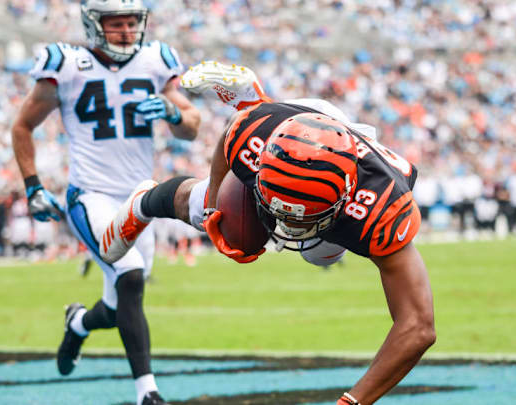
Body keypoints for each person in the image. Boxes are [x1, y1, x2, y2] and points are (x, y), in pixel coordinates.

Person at [100, 61, 435, 405]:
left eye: (300, 218)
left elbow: (419, 326)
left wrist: (351, 402)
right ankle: (144, 202)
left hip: (328, 133)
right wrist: (215, 205)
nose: (286, 226)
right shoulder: (253, 137)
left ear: (345, 198)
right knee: (228, 225)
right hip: (282, 125)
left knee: (318, 254)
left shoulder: (380, 208)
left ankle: (252, 99)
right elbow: (233, 133)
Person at [10, 1, 200, 404]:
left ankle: (78, 322)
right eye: (117, 24)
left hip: (140, 197)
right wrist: (32, 185)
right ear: (95, 26)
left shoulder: (154, 61)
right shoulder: (65, 63)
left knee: (118, 308)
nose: (128, 31)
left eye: (133, 23)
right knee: (129, 276)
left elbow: (190, 128)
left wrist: (171, 110)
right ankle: (147, 392)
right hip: (91, 195)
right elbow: (23, 125)